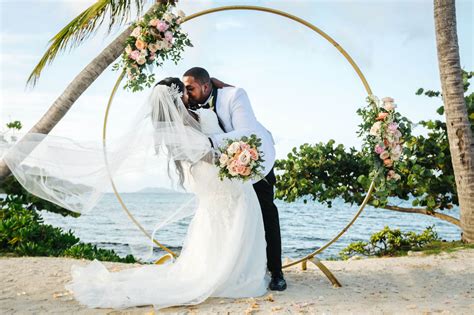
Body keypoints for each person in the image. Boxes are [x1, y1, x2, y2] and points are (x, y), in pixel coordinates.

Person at [61, 78, 271, 310]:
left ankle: (227, 268)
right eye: (186, 91)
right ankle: (233, 273)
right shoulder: (188, 121)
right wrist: (230, 160)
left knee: (218, 219)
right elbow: (205, 150)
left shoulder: (180, 124)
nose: (190, 95)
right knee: (233, 214)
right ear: (178, 97)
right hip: (218, 175)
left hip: (212, 177)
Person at [183, 67, 287, 291]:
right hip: (223, 170)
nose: (187, 93)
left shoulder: (234, 95)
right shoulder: (187, 106)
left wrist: (208, 142)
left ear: (206, 86)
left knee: (266, 211)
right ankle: (241, 268)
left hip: (256, 158)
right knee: (235, 217)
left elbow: (247, 133)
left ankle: (277, 271)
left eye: (190, 88)